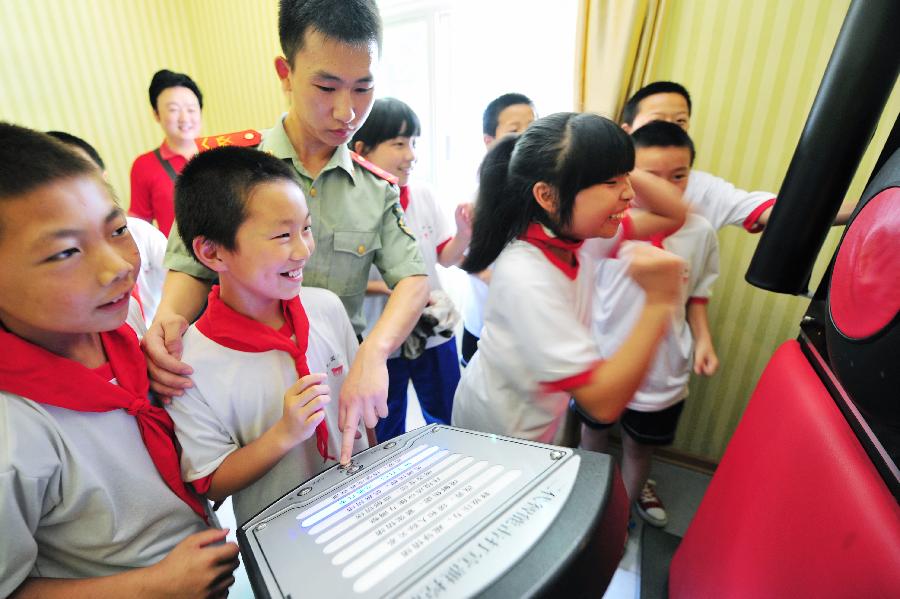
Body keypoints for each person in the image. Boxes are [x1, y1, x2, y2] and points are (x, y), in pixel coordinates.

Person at [145, 0, 428, 465]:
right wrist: (169, 323)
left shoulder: (376, 187)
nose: (346, 111)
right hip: (251, 386)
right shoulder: (231, 170)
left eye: (363, 88)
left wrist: (374, 352)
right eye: (326, 86)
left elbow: (413, 278)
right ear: (286, 71)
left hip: (339, 374)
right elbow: (190, 266)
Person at [0, 123, 238, 597]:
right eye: (66, 251)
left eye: (117, 230)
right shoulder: (15, 433)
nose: (118, 266)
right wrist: (155, 586)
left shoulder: (121, 339)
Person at [451, 112, 688, 443]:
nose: (629, 193)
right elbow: (602, 405)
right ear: (547, 196)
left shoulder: (582, 234)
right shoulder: (526, 276)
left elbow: (673, 214)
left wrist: (610, 161)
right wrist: (659, 302)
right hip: (499, 429)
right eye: (611, 183)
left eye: (626, 177)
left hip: (536, 414)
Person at [164, 146, 367, 525]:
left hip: (363, 503)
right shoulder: (189, 365)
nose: (303, 249)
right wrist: (284, 434)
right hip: (283, 536)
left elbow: (361, 410)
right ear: (213, 252)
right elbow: (211, 481)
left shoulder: (325, 308)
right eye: (282, 235)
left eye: (306, 228)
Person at [581, 121, 720, 528]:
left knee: (640, 449)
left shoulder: (699, 231)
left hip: (663, 367)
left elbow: (698, 293)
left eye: (678, 176)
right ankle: (586, 506)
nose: (667, 186)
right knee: (592, 437)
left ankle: (619, 516)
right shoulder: (606, 226)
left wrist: (705, 340)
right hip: (603, 358)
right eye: (650, 176)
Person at [351, 97, 472, 441]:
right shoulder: (350, 207)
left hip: (431, 327)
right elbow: (339, 282)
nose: (412, 155)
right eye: (399, 143)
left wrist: (463, 235)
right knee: (387, 422)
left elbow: (444, 258)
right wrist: (393, 289)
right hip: (381, 335)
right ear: (362, 149)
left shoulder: (423, 195)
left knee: (447, 412)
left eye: (414, 143)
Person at [47, 131, 168, 324]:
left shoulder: (141, 231)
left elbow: (178, 271)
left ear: (104, 179)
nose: (118, 269)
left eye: (119, 231)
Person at [461, 92, 537, 366]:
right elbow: (460, 257)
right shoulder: (479, 195)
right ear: (489, 141)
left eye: (533, 125)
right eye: (515, 129)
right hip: (483, 324)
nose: (527, 136)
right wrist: (496, 277)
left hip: (529, 330)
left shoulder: (546, 190)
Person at [129, 69, 203, 236]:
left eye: (191, 109)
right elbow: (140, 228)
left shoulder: (220, 153)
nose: (184, 118)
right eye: (173, 109)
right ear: (156, 114)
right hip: (177, 260)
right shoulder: (143, 166)